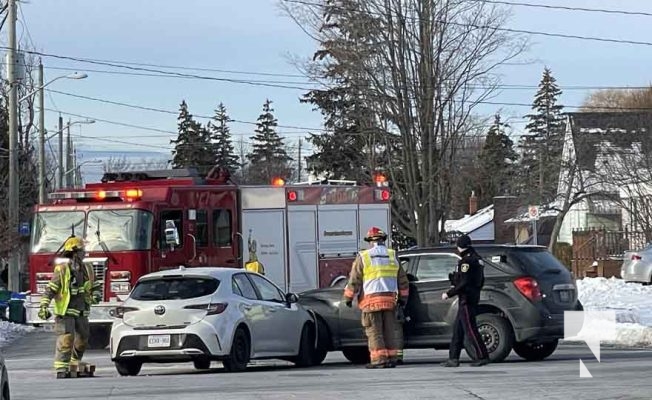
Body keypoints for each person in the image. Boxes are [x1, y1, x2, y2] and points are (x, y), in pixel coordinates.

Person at [342, 227, 409, 369]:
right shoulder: (392, 255)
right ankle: (391, 358)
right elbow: (402, 280)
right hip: (390, 300)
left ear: (369, 241)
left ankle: (379, 360)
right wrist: (403, 299)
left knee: (374, 331)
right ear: (383, 240)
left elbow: (355, 280)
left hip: (371, 301)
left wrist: (348, 297)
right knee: (389, 330)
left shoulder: (364, 257)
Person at [38, 236, 102, 378]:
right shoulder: (61, 270)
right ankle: (61, 368)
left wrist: (96, 295)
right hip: (65, 311)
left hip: (81, 311)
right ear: (74, 252)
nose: (84, 253)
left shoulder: (88, 269)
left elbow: (96, 286)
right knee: (66, 339)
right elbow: (51, 289)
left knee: (83, 339)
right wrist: (44, 306)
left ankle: (74, 363)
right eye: (81, 250)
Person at [441, 234, 490, 367]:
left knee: (470, 329)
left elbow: (464, 282)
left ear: (460, 246)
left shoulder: (466, 261)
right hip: (472, 296)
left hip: (466, 299)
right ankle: (453, 357)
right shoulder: (477, 259)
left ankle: (482, 355)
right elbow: (476, 280)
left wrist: (449, 293)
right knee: (458, 329)